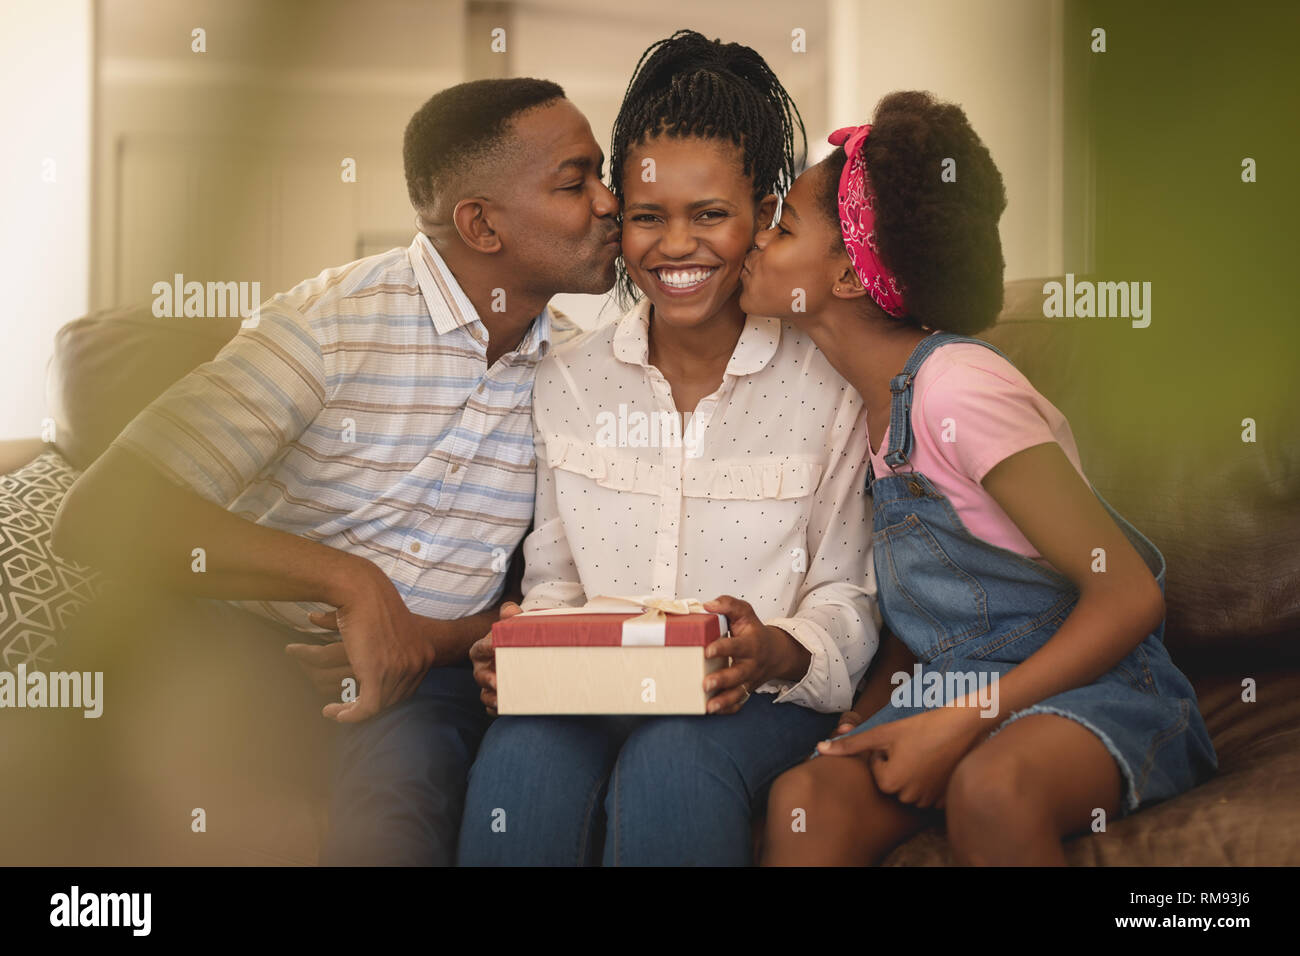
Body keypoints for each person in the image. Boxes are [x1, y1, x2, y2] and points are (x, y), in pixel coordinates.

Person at [51, 78, 621, 865]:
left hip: (428, 688)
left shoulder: (581, 371)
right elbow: (103, 513)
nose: (610, 201)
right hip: (254, 656)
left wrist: (426, 638)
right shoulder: (329, 326)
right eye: (576, 181)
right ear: (480, 224)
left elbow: (574, 594)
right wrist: (354, 585)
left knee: (392, 831)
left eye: (603, 175)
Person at [741, 90, 1218, 865]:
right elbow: (928, 611)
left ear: (851, 278)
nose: (757, 241)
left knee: (993, 789)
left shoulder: (959, 389)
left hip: (1096, 690)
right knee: (807, 801)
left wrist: (963, 723)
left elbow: (1129, 593)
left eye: (785, 226)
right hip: (954, 685)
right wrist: (867, 716)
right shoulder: (860, 406)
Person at [457, 31, 879, 866]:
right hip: (593, 690)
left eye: (711, 215)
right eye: (649, 216)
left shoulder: (828, 386)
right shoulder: (568, 381)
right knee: (518, 764)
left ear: (764, 216)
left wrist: (777, 650)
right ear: (621, 217)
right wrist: (524, 650)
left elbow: (849, 595)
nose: (675, 246)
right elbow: (556, 582)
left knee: (672, 767)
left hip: (755, 701)